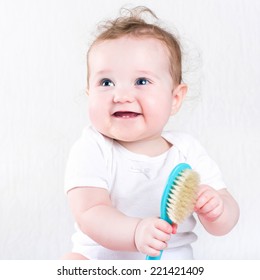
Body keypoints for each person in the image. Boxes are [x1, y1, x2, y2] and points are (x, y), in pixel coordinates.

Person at [62, 6, 239, 260]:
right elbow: (90, 211)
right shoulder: (92, 147)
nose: (121, 95)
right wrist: (135, 232)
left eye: (141, 81)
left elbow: (224, 220)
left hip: (169, 265)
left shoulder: (187, 151)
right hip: (101, 263)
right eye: (106, 83)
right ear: (89, 94)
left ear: (175, 98)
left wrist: (218, 209)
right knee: (71, 264)